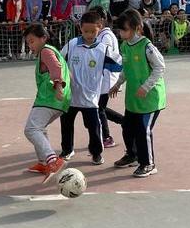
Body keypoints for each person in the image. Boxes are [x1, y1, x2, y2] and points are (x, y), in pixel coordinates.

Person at [58, 11, 120, 168]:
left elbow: (118, 64)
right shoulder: (72, 45)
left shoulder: (103, 49)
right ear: (80, 28)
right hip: (70, 96)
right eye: (86, 31)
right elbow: (59, 61)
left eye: (93, 31)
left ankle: (96, 153)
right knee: (66, 124)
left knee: (93, 127)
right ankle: (67, 150)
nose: (89, 34)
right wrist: (63, 76)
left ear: (99, 28)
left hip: (91, 98)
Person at [109, 9, 166, 178]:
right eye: (119, 30)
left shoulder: (147, 47)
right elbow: (126, 69)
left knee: (143, 131)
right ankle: (132, 155)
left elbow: (160, 67)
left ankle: (148, 163)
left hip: (150, 99)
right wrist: (117, 84)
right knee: (127, 128)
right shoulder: (125, 46)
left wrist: (146, 86)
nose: (121, 33)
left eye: (124, 29)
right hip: (134, 98)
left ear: (137, 28)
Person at [21, 23, 71, 182]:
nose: (30, 45)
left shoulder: (46, 51)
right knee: (39, 128)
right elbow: (68, 73)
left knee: (31, 129)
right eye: (28, 42)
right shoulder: (54, 51)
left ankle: (52, 160)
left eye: (32, 41)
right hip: (58, 101)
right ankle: (44, 162)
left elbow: (55, 69)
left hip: (49, 99)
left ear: (43, 38)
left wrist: (58, 87)